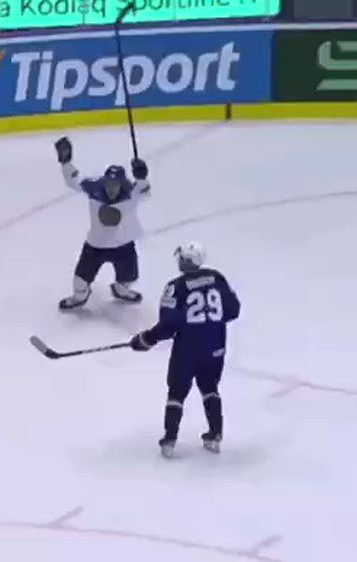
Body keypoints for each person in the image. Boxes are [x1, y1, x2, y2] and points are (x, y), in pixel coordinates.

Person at [129, 242, 241, 458]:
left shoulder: (176, 286)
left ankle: (170, 439)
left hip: (188, 347)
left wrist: (146, 339)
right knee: (210, 387)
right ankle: (215, 435)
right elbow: (233, 310)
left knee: (177, 391)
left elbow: (168, 325)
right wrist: (211, 324)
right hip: (216, 344)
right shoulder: (217, 278)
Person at [54, 135, 150, 310]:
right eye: (108, 184)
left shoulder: (131, 192)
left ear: (122, 184)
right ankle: (80, 296)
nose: (111, 188)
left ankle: (121, 289)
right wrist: (66, 162)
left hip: (123, 244)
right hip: (96, 245)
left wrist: (142, 177)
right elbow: (74, 179)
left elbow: (144, 191)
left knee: (128, 278)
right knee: (80, 282)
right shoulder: (94, 188)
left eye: (115, 185)